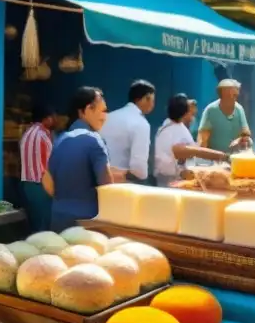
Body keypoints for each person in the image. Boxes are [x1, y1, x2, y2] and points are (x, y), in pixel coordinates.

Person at [43, 87, 122, 229]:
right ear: (86, 110)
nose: (105, 116)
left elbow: (47, 183)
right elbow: (106, 185)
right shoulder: (94, 140)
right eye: (103, 111)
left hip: (58, 218)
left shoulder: (59, 140)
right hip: (87, 222)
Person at [153, 94, 228, 186]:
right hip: (171, 184)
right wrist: (221, 156)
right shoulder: (173, 131)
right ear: (184, 113)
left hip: (170, 180)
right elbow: (185, 151)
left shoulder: (168, 126)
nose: (193, 118)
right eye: (191, 113)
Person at [100, 80, 155, 182]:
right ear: (146, 98)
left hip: (101, 180)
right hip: (123, 187)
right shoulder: (141, 123)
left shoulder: (108, 117)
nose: (153, 105)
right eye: (152, 100)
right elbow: (139, 170)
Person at [19, 103, 56, 232]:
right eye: (52, 117)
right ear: (47, 118)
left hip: (27, 185)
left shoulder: (26, 133)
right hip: (41, 185)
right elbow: (50, 163)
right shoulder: (43, 135)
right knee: (44, 225)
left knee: (34, 222)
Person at [198, 79, 253, 154]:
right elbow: (203, 138)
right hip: (215, 157)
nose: (233, 98)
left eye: (235, 96)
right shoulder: (211, 110)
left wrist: (240, 140)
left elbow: (245, 132)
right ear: (222, 95)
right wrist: (203, 157)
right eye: (230, 95)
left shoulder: (239, 109)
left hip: (235, 156)